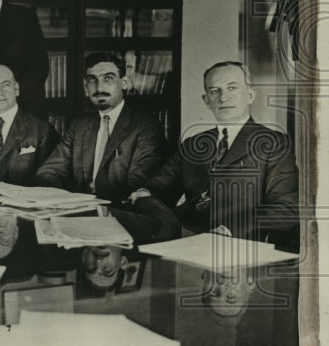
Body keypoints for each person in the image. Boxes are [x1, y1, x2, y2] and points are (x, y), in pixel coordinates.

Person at [137, 61, 299, 245]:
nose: (223, 98)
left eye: (232, 88)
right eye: (215, 91)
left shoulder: (274, 143)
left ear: (250, 95)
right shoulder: (193, 144)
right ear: (207, 100)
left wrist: (230, 231)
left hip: (241, 243)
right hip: (189, 241)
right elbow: (161, 185)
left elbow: (286, 208)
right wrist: (144, 193)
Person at [35, 52, 167, 201]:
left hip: (120, 213)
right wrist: (58, 199)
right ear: (85, 87)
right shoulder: (79, 125)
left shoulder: (145, 125)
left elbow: (138, 183)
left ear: (124, 83)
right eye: (92, 80)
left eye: (108, 79)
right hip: (78, 211)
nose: (99, 87)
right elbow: (49, 171)